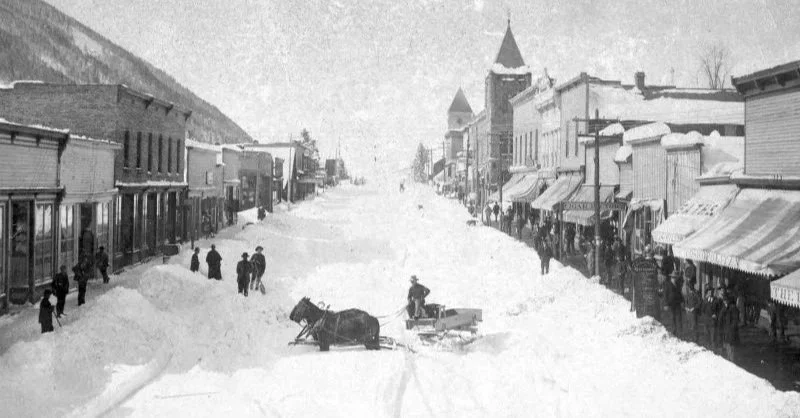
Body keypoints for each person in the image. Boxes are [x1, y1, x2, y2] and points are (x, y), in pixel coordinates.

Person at [718, 293, 740, 362]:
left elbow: (735, 320)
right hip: (726, 331)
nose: (725, 302)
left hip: (731, 331)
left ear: (729, 300)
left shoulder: (733, 307)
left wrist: (731, 329)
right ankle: (729, 360)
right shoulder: (724, 308)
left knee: (731, 347)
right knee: (727, 346)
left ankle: (732, 362)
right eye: (724, 300)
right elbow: (720, 318)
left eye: (726, 300)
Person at [663, 271, 684, 336]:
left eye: (675, 277)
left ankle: (680, 332)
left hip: (677, 303)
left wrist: (682, 301)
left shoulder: (678, 285)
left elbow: (680, 294)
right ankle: (673, 332)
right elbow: (665, 295)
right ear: (671, 278)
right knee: (672, 318)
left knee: (679, 318)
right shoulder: (668, 285)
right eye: (673, 277)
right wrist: (665, 304)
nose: (674, 279)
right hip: (670, 304)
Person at [683, 278, 702, 342]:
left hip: (694, 312)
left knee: (694, 326)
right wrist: (686, 307)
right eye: (689, 285)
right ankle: (690, 338)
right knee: (689, 325)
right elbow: (686, 302)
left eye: (691, 285)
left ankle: (695, 339)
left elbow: (699, 302)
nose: (690, 287)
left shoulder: (696, 293)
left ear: (693, 285)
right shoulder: (688, 294)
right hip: (688, 312)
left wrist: (694, 308)